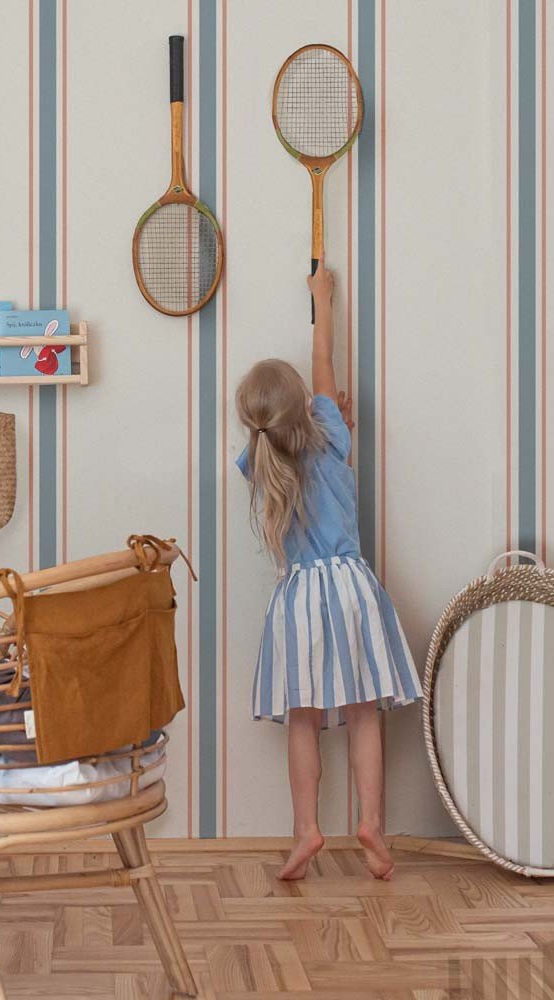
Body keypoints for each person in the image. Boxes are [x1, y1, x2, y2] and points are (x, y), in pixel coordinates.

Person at [234, 256, 422, 881]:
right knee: (365, 711)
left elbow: (268, 431)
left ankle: (307, 830)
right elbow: (323, 360)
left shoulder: (255, 460)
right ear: (308, 406)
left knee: (303, 720)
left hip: (299, 603)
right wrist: (323, 298)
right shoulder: (332, 430)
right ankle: (370, 822)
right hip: (353, 589)